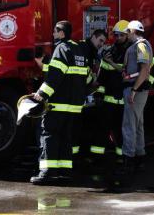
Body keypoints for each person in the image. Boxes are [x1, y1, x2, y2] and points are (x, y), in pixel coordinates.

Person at [30, 20, 89, 185]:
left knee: (49, 135)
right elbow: (83, 76)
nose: (53, 35)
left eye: (55, 32)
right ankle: (64, 172)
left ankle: (47, 172)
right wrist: (43, 65)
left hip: (59, 103)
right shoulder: (78, 49)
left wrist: (42, 93)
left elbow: (56, 75)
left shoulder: (61, 48)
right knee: (65, 138)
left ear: (62, 33)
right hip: (74, 106)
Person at [88, 20, 131, 163]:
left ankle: (121, 156)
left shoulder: (132, 52)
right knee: (102, 128)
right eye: (116, 35)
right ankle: (96, 156)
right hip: (108, 100)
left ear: (128, 35)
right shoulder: (109, 51)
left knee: (121, 130)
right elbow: (102, 76)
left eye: (121, 35)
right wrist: (99, 94)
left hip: (125, 99)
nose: (118, 38)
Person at [121, 20, 153, 173]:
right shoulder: (140, 45)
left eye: (127, 32)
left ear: (133, 31)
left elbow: (145, 70)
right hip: (138, 90)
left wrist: (134, 89)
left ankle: (128, 160)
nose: (126, 35)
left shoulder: (141, 46)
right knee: (138, 125)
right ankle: (140, 157)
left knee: (129, 125)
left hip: (136, 91)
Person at [74, 29, 108, 156]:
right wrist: (91, 83)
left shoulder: (92, 51)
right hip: (79, 92)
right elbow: (83, 73)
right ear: (93, 37)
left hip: (85, 92)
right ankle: (76, 155)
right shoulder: (83, 49)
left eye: (103, 42)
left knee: (83, 125)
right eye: (100, 40)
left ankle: (80, 153)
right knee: (76, 126)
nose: (101, 44)